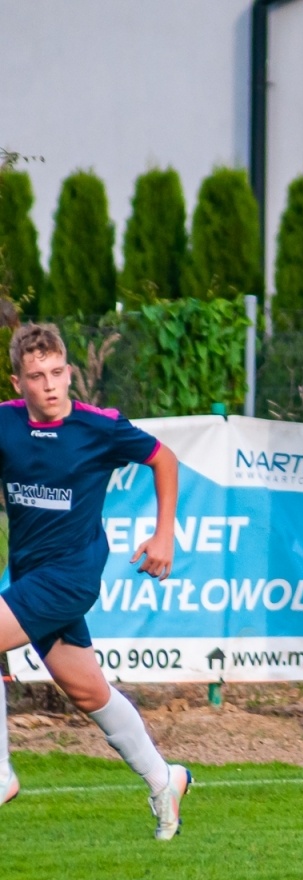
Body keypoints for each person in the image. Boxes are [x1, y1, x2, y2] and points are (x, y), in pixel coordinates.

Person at [0, 323, 191, 839]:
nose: (50, 384)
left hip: (73, 576)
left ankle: (0, 775)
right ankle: (164, 778)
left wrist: (163, 535)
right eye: (37, 376)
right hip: (30, 578)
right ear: (19, 382)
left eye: (58, 372)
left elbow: (163, 458)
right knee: (88, 693)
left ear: (69, 372)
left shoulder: (97, 427)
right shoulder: (4, 424)